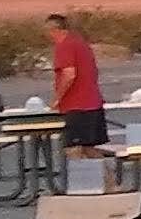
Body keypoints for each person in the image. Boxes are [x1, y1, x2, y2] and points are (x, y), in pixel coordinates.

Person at [44, 11, 106, 158]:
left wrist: (57, 98)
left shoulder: (65, 46)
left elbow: (69, 74)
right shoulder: (80, 44)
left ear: (54, 30)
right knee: (89, 149)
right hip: (92, 103)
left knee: (73, 149)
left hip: (78, 106)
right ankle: (110, 182)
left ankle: (81, 180)